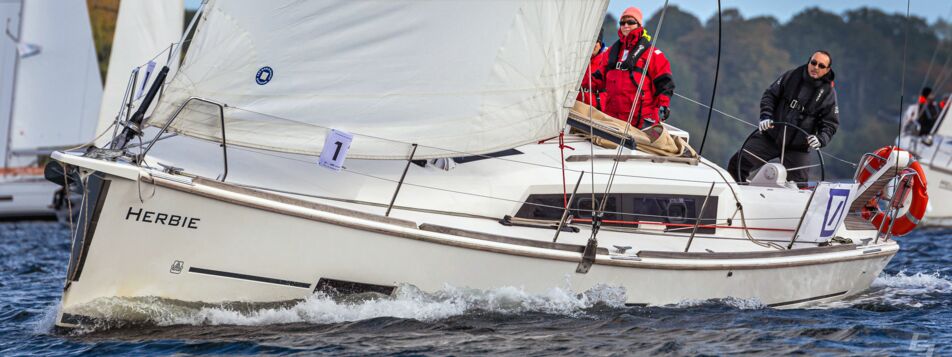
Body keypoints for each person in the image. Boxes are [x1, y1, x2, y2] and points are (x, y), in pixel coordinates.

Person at [727, 51, 839, 184]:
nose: (816, 67)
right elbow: (770, 95)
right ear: (809, 62)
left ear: (827, 70)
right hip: (771, 137)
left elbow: (830, 124)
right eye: (813, 63)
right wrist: (765, 116)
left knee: (799, 186)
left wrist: (821, 139)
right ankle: (738, 198)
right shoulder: (791, 76)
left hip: (798, 147)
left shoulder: (828, 94)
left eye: (821, 66)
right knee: (737, 163)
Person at [591, 7, 675, 128]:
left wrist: (664, 105)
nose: (626, 25)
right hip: (612, 120)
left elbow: (665, 82)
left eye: (630, 22)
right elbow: (597, 79)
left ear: (639, 24)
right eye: (622, 22)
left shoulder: (653, 54)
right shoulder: (611, 53)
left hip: (640, 123)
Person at [578, 30, 608, 110]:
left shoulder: (606, 62)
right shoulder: (575, 58)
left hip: (592, 110)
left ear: (600, 45)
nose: (592, 44)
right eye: (590, 41)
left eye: (596, 41)